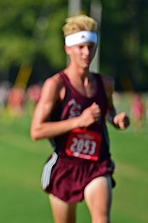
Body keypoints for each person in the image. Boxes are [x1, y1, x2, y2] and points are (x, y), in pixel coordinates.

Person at [30, 15, 129, 223]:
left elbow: (108, 110)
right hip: (65, 166)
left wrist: (116, 119)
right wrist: (78, 121)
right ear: (68, 49)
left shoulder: (105, 83)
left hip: (97, 164)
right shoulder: (56, 85)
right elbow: (36, 130)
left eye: (91, 46)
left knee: (102, 219)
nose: (87, 53)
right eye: (81, 47)